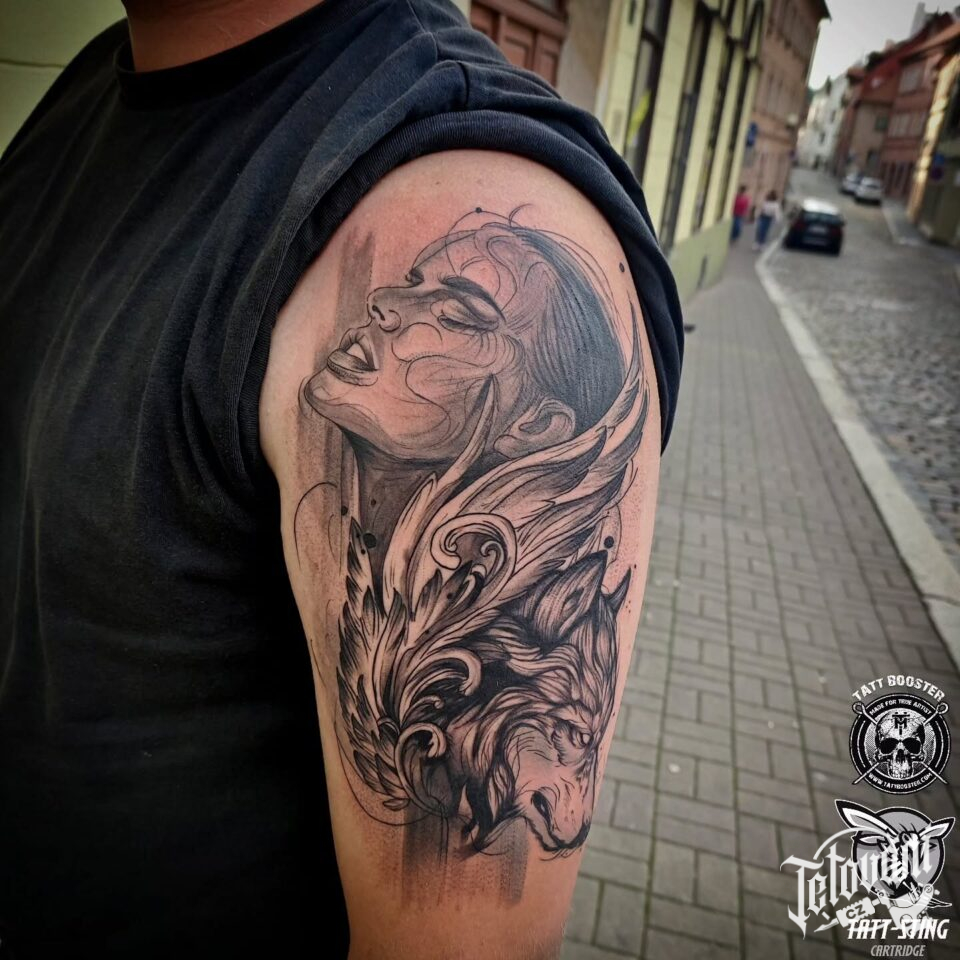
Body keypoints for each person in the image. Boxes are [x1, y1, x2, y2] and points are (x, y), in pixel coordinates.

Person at [0, 2, 684, 957]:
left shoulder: (447, 176)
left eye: (455, 309)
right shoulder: (90, 89)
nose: (391, 304)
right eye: (418, 283)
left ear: (538, 427)